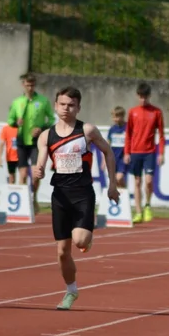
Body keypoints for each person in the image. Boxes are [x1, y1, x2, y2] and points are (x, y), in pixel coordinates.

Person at [32, 86, 120, 311]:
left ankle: (87, 237)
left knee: (80, 241)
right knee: (62, 251)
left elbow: (108, 152)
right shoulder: (46, 135)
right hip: (60, 195)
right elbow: (41, 159)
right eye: (62, 104)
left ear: (78, 107)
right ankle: (71, 290)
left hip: (82, 194)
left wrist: (112, 185)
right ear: (55, 105)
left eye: (71, 105)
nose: (66, 109)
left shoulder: (87, 131)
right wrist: (39, 169)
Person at [7, 73, 54, 211]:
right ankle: (22, 206)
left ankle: (34, 197)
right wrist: (16, 122)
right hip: (21, 141)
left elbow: (51, 119)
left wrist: (42, 128)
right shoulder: (17, 102)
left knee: (35, 174)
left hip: (36, 142)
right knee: (22, 174)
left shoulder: (43, 101)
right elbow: (10, 120)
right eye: (27, 85)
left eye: (32, 85)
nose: (30, 87)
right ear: (23, 85)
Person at [123, 82, 165, 223]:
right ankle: (138, 211)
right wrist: (127, 152)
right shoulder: (132, 112)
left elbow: (162, 134)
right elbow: (128, 133)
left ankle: (147, 205)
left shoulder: (156, 112)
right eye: (140, 96)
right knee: (137, 181)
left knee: (148, 181)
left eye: (145, 97)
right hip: (135, 151)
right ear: (137, 96)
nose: (143, 99)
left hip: (150, 152)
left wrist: (161, 153)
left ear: (149, 96)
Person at [107, 106, 128, 190]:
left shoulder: (127, 128)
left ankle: (124, 194)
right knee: (115, 180)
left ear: (122, 116)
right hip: (113, 157)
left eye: (117, 116)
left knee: (119, 177)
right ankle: (121, 197)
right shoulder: (112, 129)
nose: (115, 119)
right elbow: (108, 143)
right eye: (113, 117)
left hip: (122, 157)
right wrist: (104, 160)